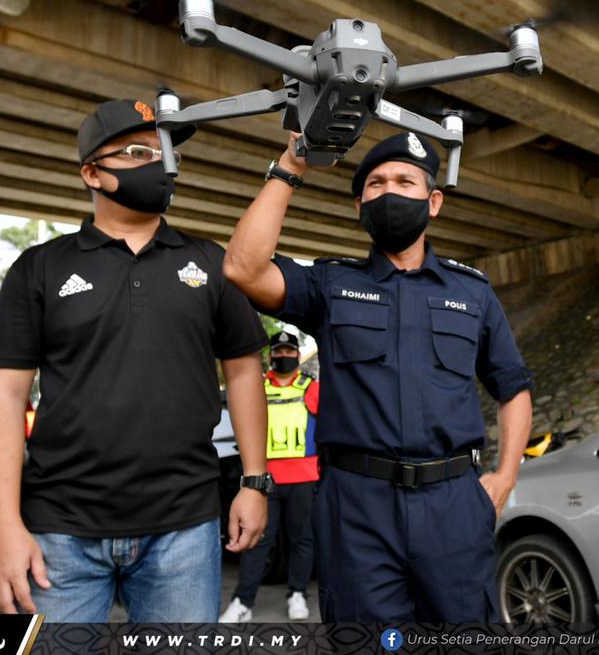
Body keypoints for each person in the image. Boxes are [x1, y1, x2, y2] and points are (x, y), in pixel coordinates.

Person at [0, 99, 272, 623]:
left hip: (184, 527)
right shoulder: (40, 268)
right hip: (59, 531)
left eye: (165, 153)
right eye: (138, 152)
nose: (159, 164)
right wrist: (1, 527)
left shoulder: (210, 262)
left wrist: (253, 482)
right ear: (92, 173)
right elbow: (3, 395)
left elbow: (245, 370)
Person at [222, 130, 534, 622]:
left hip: (453, 503)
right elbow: (243, 267)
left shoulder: (472, 292)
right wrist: (292, 164)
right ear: (359, 206)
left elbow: (512, 387)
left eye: (405, 182)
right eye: (376, 183)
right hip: (356, 507)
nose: (390, 191)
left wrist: (506, 474)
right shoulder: (330, 284)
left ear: (433, 202)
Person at [220, 330, 319, 623]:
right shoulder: (259, 387)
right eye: (279, 351)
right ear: (271, 355)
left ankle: (297, 593)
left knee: (302, 540)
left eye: (289, 351)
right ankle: (242, 601)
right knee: (257, 541)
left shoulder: (312, 388)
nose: (284, 356)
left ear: (297, 355)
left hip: (305, 478)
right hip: (265, 481)